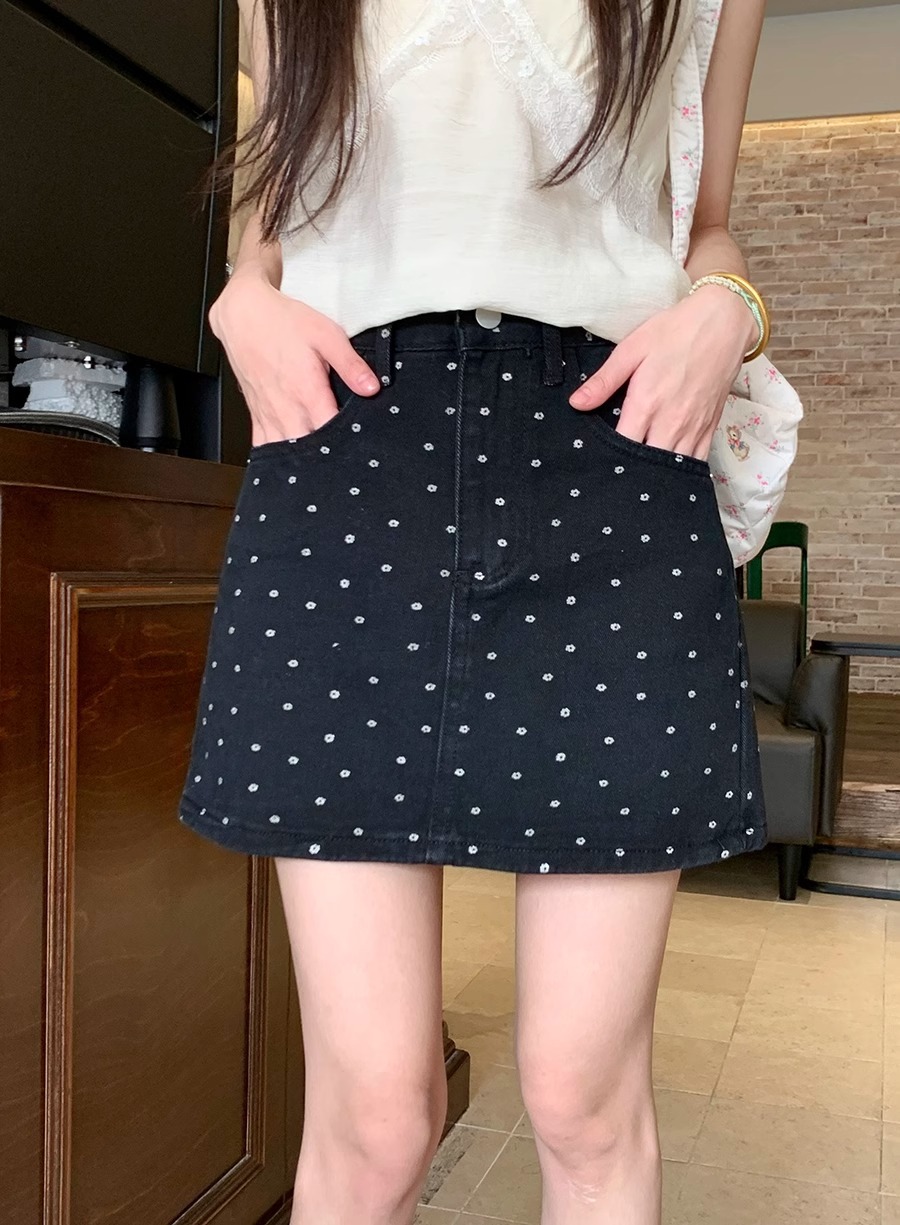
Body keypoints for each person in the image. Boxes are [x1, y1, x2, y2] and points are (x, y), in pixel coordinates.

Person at [179, 1, 770, 1221]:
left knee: (583, 1098)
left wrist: (732, 307)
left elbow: (706, 219)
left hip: (612, 450)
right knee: (375, 1120)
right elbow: (273, 176)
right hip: (346, 450)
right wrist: (241, 289)